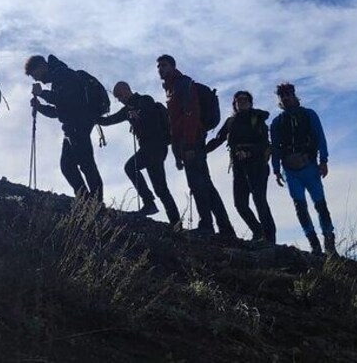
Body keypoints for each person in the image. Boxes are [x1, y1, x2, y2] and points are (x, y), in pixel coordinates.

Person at [157, 55, 235, 237]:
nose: (161, 69)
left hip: (192, 139)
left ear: (173, 66)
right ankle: (225, 227)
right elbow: (176, 122)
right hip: (187, 140)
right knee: (205, 183)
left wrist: (190, 145)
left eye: (164, 65)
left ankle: (207, 225)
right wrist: (177, 152)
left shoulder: (182, 84)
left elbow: (190, 114)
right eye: (159, 66)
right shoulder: (171, 88)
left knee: (197, 183)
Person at [98, 81, 180, 225]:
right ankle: (175, 222)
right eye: (117, 97)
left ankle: (149, 203)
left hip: (155, 146)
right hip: (152, 149)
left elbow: (147, 111)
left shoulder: (145, 100)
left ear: (127, 89)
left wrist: (136, 113)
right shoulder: (127, 110)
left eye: (120, 95)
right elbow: (109, 121)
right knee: (160, 187)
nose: (120, 99)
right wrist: (93, 117)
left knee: (131, 167)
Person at [25, 55, 104, 202]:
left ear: (41, 66)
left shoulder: (63, 74)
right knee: (72, 165)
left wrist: (42, 93)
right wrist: (40, 107)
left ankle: (93, 203)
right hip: (75, 125)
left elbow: (64, 99)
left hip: (78, 124)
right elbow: (60, 110)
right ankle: (88, 200)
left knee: (83, 164)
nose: (37, 80)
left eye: (35, 75)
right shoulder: (60, 76)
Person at [270, 83, 335, 255]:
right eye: (282, 95)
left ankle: (329, 241)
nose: (285, 97)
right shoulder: (277, 122)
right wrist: (275, 169)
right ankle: (314, 243)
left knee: (320, 204)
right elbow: (275, 147)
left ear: (294, 94)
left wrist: (324, 160)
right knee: (300, 207)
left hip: (310, 166)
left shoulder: (309, 114)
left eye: (288, 93)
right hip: (290, 170)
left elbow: (320, 136)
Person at [206, 91, 276, 244]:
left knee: (260, 201)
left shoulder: (257, 119)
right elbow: (218, 139)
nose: (241, 102)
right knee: (240, 204)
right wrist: (202, 150)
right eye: (238, 100)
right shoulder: (231, 122)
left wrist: (249, 153)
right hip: (238, 166)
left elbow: (265, 143)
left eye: (244, 99)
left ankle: (269, 239)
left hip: (257, 166)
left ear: (250, 102)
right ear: (235, 104)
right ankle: (258, 232)